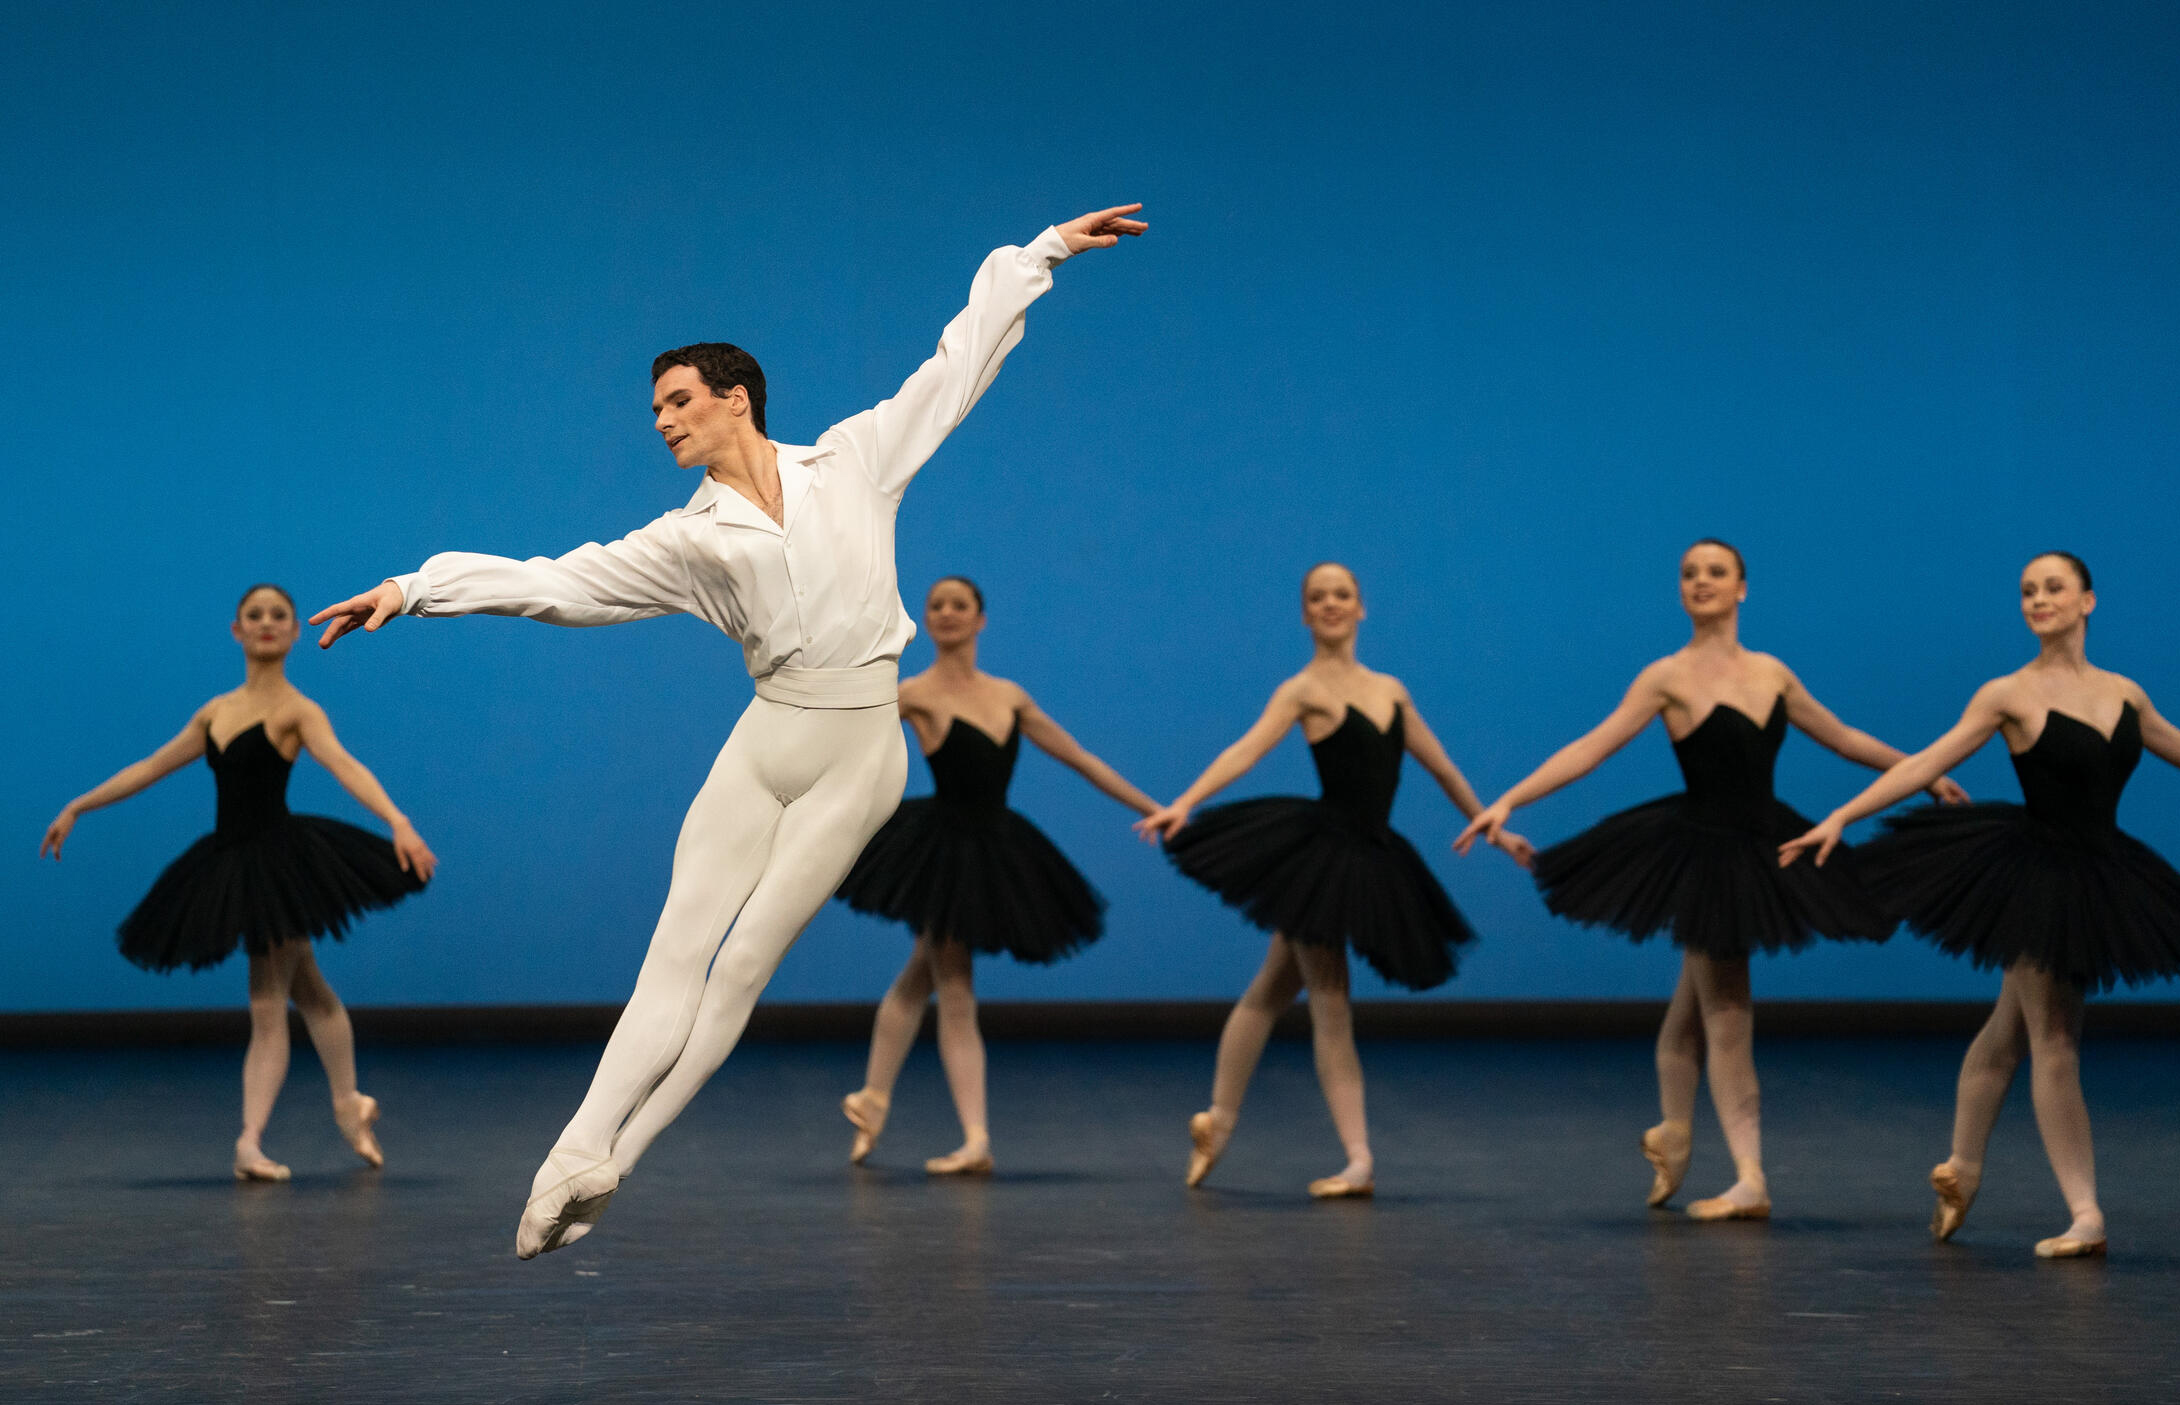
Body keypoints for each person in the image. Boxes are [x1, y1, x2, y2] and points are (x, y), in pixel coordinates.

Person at [309, 205, 1146, 1257]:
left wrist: (1041, 253)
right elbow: (552, 582)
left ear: (732, 398)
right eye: (654, 409)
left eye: (675, 402)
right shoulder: (688, 539)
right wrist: (413, 588)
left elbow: (955, 365)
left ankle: (622, 1152)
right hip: (766, 742)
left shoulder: (852, 462)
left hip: (859, 753)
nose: (660, 422)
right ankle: (574, 1148)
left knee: (743, 962)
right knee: (677, 953)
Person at [1780, 551, 2180, 1258]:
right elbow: (1927, 760)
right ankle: (2086, 1212)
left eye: (2054, 587)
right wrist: (1842, 813)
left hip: (2099, 870)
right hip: (2033, 873)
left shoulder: (2126, 696)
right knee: (2054, 1037)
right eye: (2027, 590)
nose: (2038, 598)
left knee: (2011, 1029)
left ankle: (1961, 1167)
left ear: (2088, 600)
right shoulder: (2008, 693)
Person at [1457, 540, 1967, 1220]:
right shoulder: (1665, 677)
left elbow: (1842, 736)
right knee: (1726, 1005)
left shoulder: (1772, 674)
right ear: (1680, 591)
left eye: (1715, 573)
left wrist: (1923, 771)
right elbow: (1592, 745)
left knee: (1696, 1004)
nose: (1701, 582)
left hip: (1761, 843)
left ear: (1742, 588)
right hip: (1699, 851)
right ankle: (1749, 1174)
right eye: (1689, 574)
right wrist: (1509, 799)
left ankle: (1675, 1131)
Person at [1136, 563, 1531, 1199]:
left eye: (1341, 594)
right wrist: (1186, 801)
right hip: (1321, 855)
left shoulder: (1391, 691)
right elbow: (1247, 749)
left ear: (1361, 607)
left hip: (1370, 852)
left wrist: (1493, 827)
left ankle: (1219, 1120)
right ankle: (1357, 1159)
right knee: (1329, 995)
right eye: (1316, 597)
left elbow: (1442, 767)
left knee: (1269, 990)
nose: (1330, 604)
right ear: (1304, 614)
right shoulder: (1302, 690)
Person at [40, 584, 435, 1181]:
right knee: (310, 990)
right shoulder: (215, 712)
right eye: (256, 615)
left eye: (279, 615)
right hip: (231, 860)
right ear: (237, 630)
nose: (268, 623)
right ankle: (349, 1104)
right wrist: (79, 806)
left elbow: (345, 765)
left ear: (296, 631)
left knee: (267, 1003)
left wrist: (398, 821)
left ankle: (250, 1141)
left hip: (276, 863)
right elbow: (151, 766)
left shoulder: (298, 711)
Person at [835, 575, 1157, 1175]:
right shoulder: (912, 693)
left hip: (994, 846)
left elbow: (1080, 757)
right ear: (926, 621)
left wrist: (1151, 808)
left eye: (961, 605)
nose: (949, 613)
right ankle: (974, 1137)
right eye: (938, 606)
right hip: (942, 847)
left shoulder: (1010, 696)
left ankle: (875, 1099)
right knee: (953, 984)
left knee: (923, 972)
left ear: (981, 619)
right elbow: (847, 746)